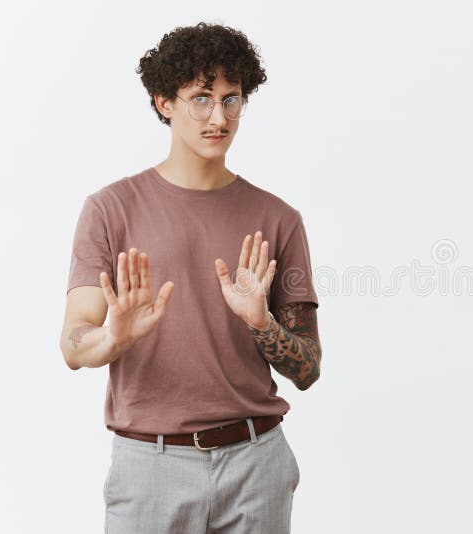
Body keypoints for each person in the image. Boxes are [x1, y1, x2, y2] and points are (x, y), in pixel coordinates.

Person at [59, 21, 322, 534]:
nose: (218, 116)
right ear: (164, 102)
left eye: (231, 98)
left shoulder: (279, 219)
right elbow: (74, 344)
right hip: (151, 466)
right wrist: (113, 337)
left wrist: (260, 322)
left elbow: (308, 369)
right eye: (201, 97)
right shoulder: (110, 210)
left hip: (256, 463)